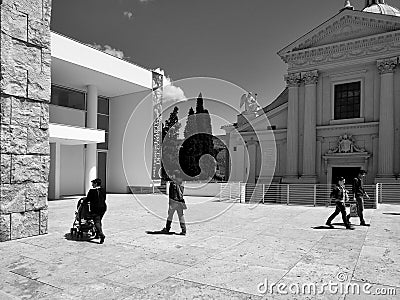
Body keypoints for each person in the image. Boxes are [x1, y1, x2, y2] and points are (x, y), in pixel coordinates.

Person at [161, 171, 187, 235]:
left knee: (170, 215)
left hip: (173, 202)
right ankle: (184, 230)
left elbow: (171, 195)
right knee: (181, 216)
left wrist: (170, 204)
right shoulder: (182, 183)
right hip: (180, 202)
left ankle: (167, 229)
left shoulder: (173, 184)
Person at [83, 178, 107, 243]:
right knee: (99, 221)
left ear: (96, 184)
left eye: (93, 183)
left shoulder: (92, 191)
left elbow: (87, 199)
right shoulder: (103, 190)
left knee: (96, 222)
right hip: (103, 208)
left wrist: (84, 200)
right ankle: (97, 234)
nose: (92, 185)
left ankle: (101, 234)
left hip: (95, 209)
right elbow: (104, 198)